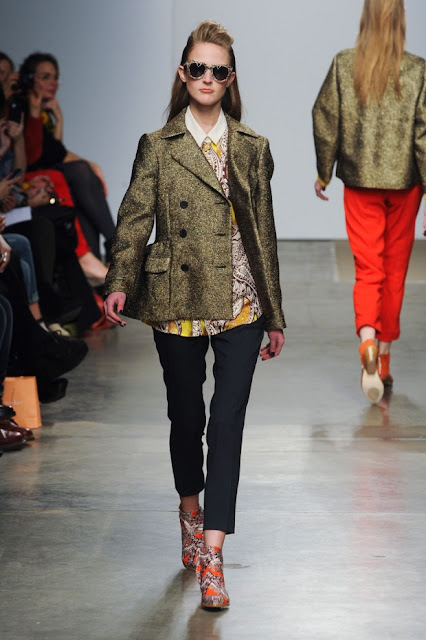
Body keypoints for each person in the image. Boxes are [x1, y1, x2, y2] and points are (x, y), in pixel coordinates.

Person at [104, 20, 285, 610]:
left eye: (219, 69)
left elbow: (264, 235)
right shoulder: (158, 146)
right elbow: (135, 219)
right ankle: (189, 509)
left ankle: (213, 555)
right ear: (183, 74)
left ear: (231, 79)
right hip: (177, 298)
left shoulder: (252, 146)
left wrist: (275, 313)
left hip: (239, 297)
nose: (208, 77)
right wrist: (119, 283)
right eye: (199, 68)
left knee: (227, 423)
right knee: (187, 418)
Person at [312, 0, 426, 404]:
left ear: (366, 20)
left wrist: (324, 170)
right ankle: (385, 362)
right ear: (400, 22)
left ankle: (367, 342)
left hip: (360, 182)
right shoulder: (418, 70)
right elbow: (424, 136)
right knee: (395, 271)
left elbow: (324, 118)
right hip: (406, 184)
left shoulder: (344, 64)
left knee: (368, 269)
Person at [19, 52, 116, 261]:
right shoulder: (22, 107)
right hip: (24, 180)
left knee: (82, 186)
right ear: (28, 79)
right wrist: (87, 163)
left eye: (55, 78)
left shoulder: (43, 112)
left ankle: (102, 258)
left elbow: (54, 150)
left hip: (44, 173)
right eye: (45, 77)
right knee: (80, 172)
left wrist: (59, 118)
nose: (53, 83)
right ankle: (114, 244)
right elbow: (37, 156)